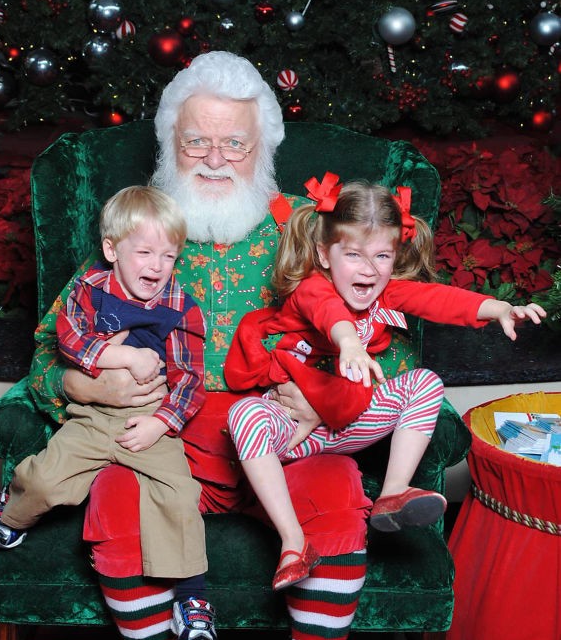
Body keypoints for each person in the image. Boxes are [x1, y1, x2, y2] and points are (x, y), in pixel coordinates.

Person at [23, 51, 406, 640]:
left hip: (284, 437)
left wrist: (325, 394)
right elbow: (45, 358)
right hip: (164, 435)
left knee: (337, 498)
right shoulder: (139, 236)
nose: (215, 158)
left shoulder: (311, 233)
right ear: (169, 143)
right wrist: (88, 386)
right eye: (196, 141)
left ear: (263, 149)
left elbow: (386, 337)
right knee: (117, 502)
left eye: (235, 143)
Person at [224, 178, 547, 591]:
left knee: (425, 382)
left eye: (382, 255)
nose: (369, 269)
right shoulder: (311, 288)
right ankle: (293, 542)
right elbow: (328, 313)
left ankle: (393, 492)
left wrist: (498, 307)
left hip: (350, 423)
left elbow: (437, 299)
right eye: (353, 255)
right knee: (243, 413)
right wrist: (349, 344)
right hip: (294, 429)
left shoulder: (387, 294)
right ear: (323, 254)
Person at [0, 186, 211, 612]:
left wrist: (161, 423)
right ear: (111, 250)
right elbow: (69, 339)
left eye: (169, 256)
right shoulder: (88, 290)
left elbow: (189, 379)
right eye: (145, 253)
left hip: (149, 419)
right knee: (47, 481)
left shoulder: (181, 308)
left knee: (180, 492)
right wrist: (125, 356)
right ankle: (11, 510)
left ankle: (192, 599)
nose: (158, 265)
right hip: (90, 415)